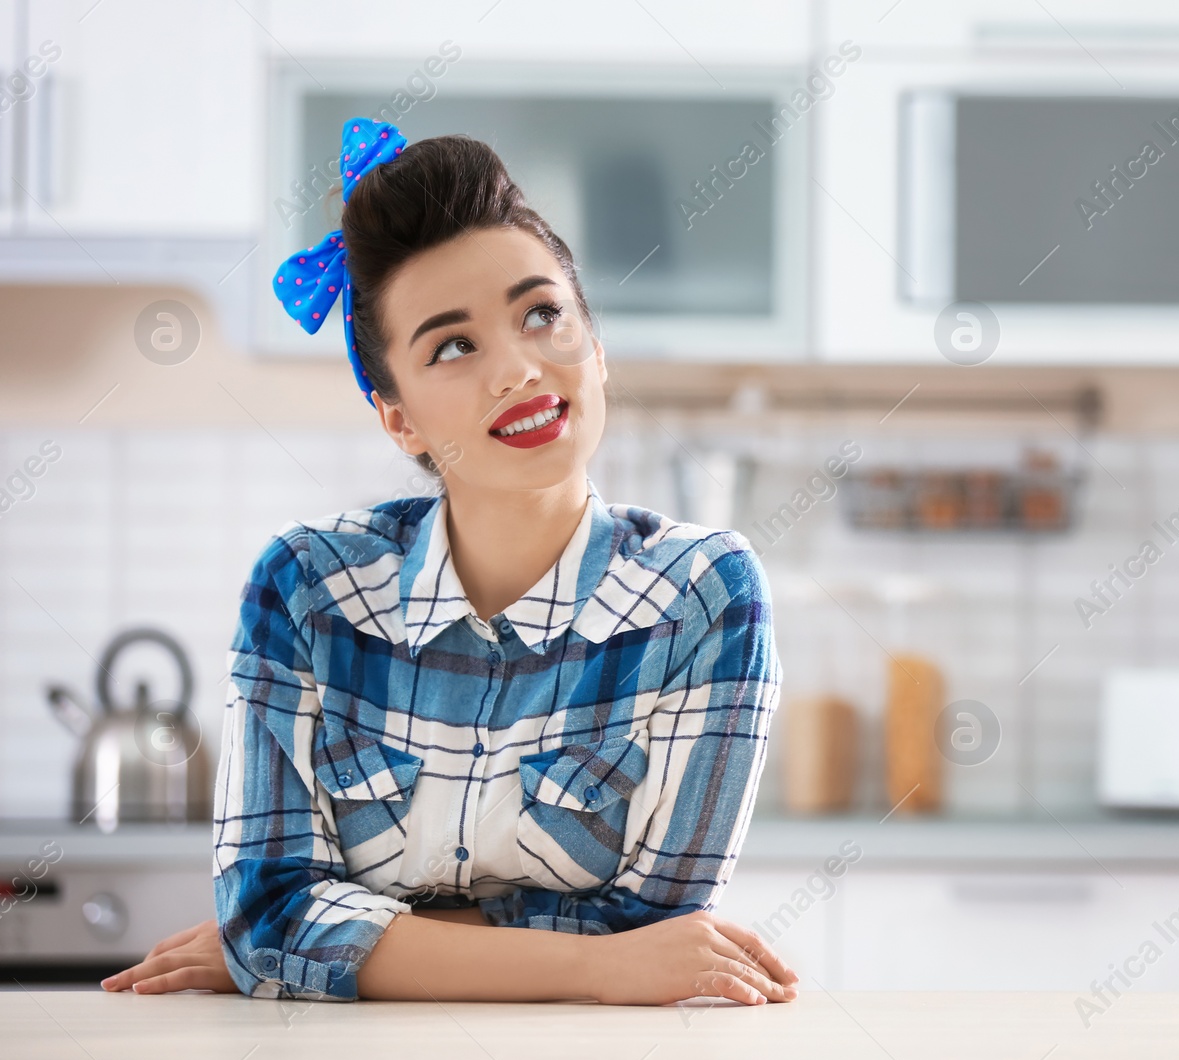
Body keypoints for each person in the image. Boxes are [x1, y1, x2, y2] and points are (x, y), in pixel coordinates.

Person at [100, 118, 793, 1006]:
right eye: (454, 346)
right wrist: (594, 963)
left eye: (543, 313)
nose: (518, 369)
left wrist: (343, 940)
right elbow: (270, 918)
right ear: (400, 418)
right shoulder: (306, 589)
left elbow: (655, 927)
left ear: (597, 345)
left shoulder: (705, 597)